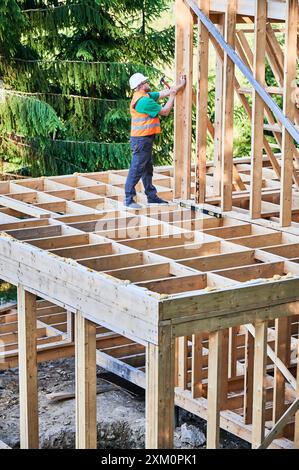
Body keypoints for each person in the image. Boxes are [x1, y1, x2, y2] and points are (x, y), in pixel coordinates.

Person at [125, 72, 186, 209]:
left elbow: (163, 93)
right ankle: (129, 200)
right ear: (141, 86)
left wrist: (179, 86)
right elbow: (165, 111)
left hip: (144, 139)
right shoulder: (144, 101)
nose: (148, 83)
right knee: (136, 169)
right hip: (141, 140)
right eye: (146, 82)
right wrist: (172, 96)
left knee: (147, 169)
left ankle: (152, 197)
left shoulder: (144, 95)